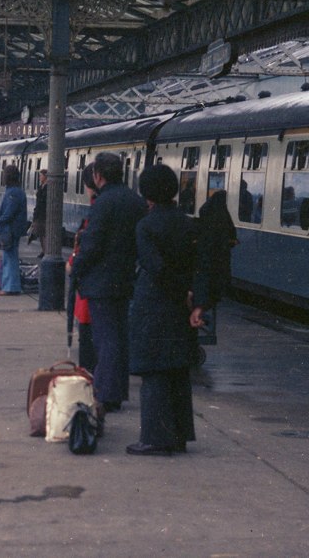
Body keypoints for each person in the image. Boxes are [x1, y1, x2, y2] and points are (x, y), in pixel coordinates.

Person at [127, 164, 198, 456]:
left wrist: (175, 291)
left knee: (154, 372)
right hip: (181, 307)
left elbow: (154, 267)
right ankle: (180, 435)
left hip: (155, 304)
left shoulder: (146, 225)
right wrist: (187, 294)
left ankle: (156, 437)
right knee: (178, 370)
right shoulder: (187, 222)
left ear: (147, 193)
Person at [70, 152, 147, 415]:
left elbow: (92, 244)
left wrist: (76, 268)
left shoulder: (103, 203)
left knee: (106, 339)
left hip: (101, 281)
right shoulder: (135, 201)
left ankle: (108, 393)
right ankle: (117, 389)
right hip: (125, 279)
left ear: (98, 175)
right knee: (119, 335)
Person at [190, 189, 237, 329]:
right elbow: (231, 237)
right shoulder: (225, 217)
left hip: (206, 260)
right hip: (220, 260)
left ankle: (201, 312)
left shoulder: (206, 212)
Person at [67, 163, 98, 371]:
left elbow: (85, 250)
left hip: (90, 291)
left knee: (89, 343)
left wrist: (72, 264)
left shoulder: (97, 212)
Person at [0, 164, 29, 295]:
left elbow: (9, 212)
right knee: (10, 257)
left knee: (9, 258)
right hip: (15, 229)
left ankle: (10, 287)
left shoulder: (13, 193)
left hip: (10, 229)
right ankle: (11, 286)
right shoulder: (17, 191)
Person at [28, 169, 48, 259]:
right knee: (41, 233)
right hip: (39, 213)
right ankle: (44, 251)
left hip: (44, 213)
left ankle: (45, 251)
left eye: (41, 175)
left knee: (43, 233)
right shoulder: (41, 187)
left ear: (45, 176)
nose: (40, 177)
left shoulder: (48, 187)